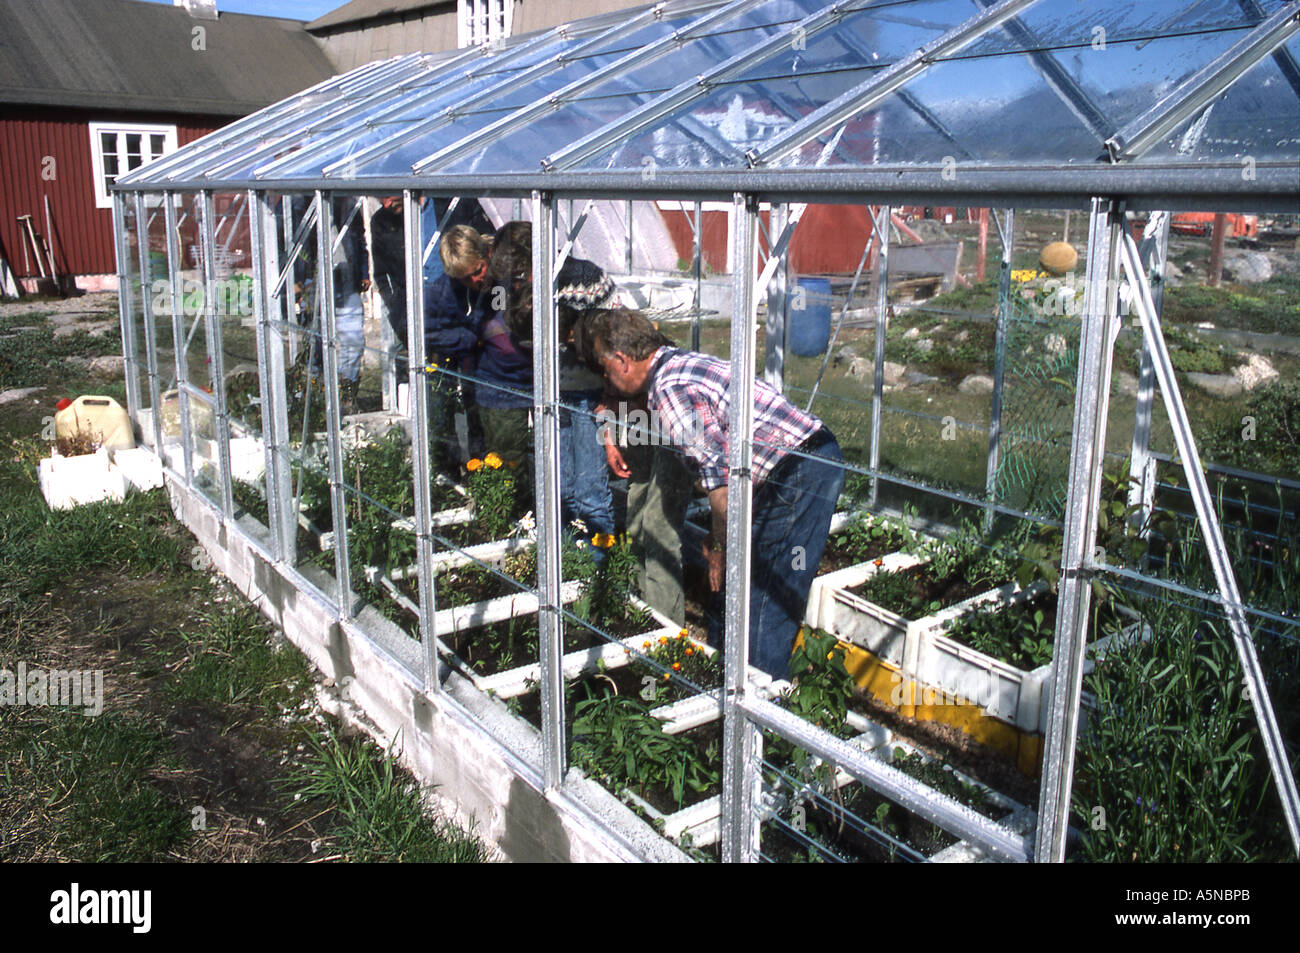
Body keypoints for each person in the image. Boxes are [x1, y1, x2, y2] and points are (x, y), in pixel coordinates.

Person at [579, 308, 845, 679]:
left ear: (622, 361)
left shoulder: (667, 392)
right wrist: (719, 543)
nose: (607, 379)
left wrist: (720, 551)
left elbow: (721, 488)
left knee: (761, 600)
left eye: (606, 370)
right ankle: (723, 683)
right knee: (739, 589)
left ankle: (759, 711)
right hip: (804, 459)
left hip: (799, 469)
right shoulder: (678, 362)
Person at [477, 222, 617, 541]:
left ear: (534, 258)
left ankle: (599, 571)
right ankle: (567, 562)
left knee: (591, 493)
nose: (518, 283)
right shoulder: (525, 288)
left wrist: (607, 397)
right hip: (550, 394)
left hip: (589, 396)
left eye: (521, 273)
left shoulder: (585, 279)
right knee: (559, 489)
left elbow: (614, 342)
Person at [423, 224, 493, 467]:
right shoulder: (441, 293)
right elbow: (429, 331)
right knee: (451, 417)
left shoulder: (497, 283)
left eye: (478, 270)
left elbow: (504, 313)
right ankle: (455, 472)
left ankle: (486, 471)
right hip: (457, 359)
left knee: (487, 422)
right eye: (467, 278)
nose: (476, 279)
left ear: (485, 256)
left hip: (493, 362)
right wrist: (468, 338)